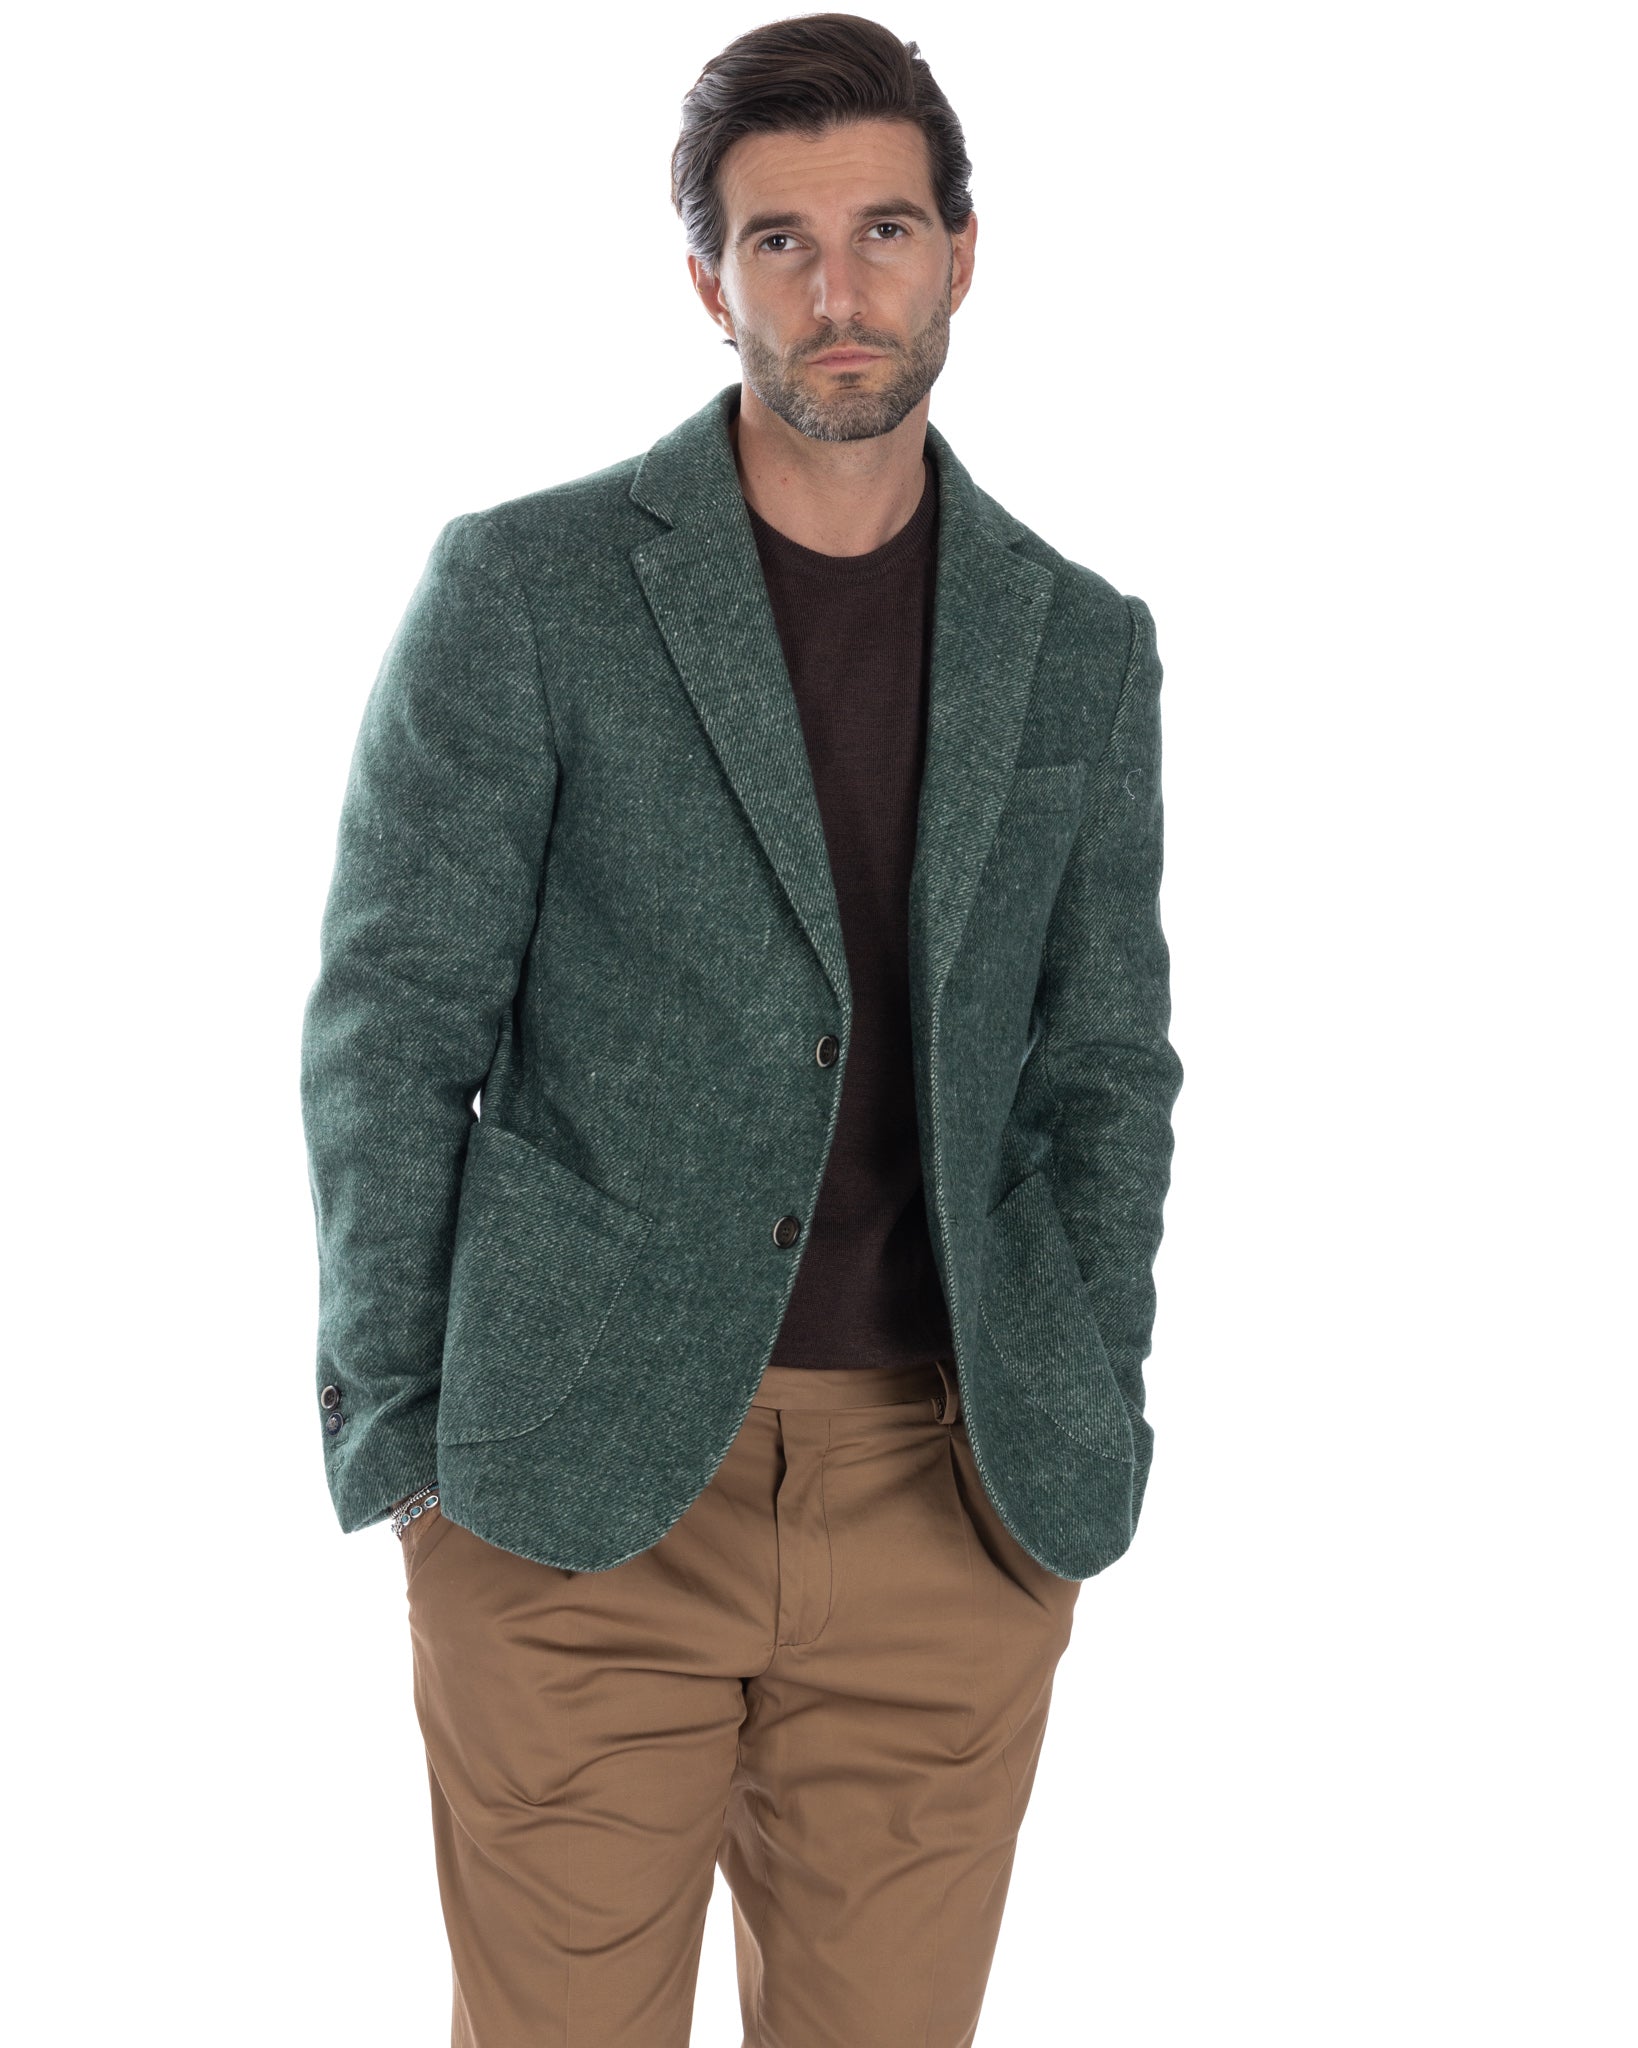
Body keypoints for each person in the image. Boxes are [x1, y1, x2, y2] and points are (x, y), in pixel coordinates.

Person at [299, 14, 1183, 2044]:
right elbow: (394, 1020)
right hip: (574, 1494)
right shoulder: (528, 589)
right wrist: (407, 1444)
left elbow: (1105, 1066)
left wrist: (1086, 1389)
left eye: (884, 230)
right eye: (778, 241)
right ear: (709, 280)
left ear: (965, 253)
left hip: (948, 1498)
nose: (836, 289)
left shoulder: (1080, 643)